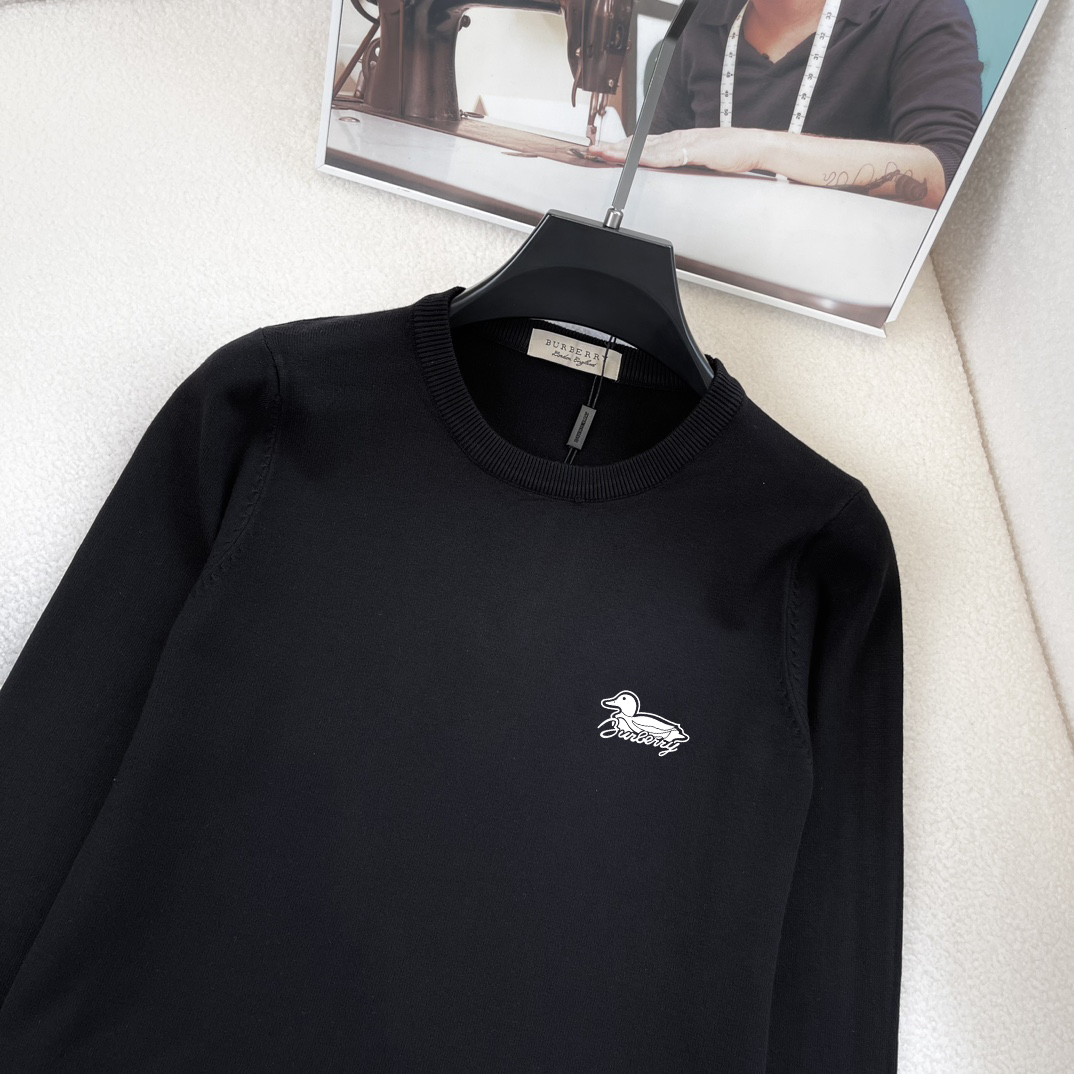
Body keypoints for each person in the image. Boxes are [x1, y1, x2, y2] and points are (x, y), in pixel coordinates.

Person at [589, 0, 985, 209]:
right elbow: (656, 160)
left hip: (839, 293)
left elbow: (946, 173)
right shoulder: (702, 17)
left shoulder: (920, 11)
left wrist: (758, 148)